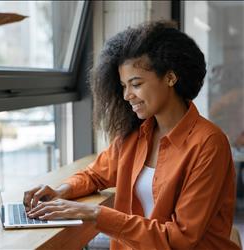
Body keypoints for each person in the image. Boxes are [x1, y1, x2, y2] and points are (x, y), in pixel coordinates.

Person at [23, 21, 239, 249]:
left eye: (136, 84)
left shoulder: (209, 143)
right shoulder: (135, 135)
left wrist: (96, 213)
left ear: (170, 78)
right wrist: (60, 191)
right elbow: (95, 175)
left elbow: (179, 239)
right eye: (123, 86)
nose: (127, 95)